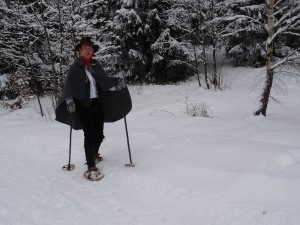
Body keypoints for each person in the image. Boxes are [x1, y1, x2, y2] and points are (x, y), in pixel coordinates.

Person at [55, 37, 131, 181]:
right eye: (85, 48)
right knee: (89, 135)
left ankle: (94, 153)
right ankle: (91, 166)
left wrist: (117, 85)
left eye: (90, 48)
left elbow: (104, 81)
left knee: (99, 134)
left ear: (93, 50)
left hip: (98, 104)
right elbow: (69, 87)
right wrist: (70, 102)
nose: (88, 50)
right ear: (80, 50)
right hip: (83, 106)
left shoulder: (96, 65)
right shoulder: (75, 68)